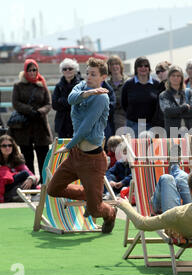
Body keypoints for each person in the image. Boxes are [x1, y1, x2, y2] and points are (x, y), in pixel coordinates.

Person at [46, 58, 117, 234]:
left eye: (93, 74)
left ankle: (110, 212)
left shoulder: (102, 98)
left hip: (93, 160)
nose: (88, 77)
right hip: (76, 156)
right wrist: (86, 93)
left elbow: (86, 126)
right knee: (53, 188)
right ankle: (89, 195)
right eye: (87, 73)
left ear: (103, 77)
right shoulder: (81, 87)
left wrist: (69, 145)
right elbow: (71, 99)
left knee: (94, 211)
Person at [10, 59, 53, 180]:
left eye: (35, 70)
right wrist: (29, 110)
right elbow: (15, 102)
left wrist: (40, 111)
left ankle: (45, 185)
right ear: (25, 71)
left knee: (43, 159)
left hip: (40, 126)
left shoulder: (42, 85)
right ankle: (31, 184)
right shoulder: (18, 86)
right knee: (27, 158)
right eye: (29, 70)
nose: (32, 72)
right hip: (25, 127)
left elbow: (48, 103)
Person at [0, 135, 38, 203]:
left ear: (13, 146)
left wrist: (31, 178)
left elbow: (27, 172)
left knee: (25, 178)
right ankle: (9, 198)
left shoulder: (18, 157)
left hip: (9, 183)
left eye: (10, 145)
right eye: (4, 146)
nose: (7, 148)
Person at [121, 57, 160, 137]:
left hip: (152, 125)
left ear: (149, 68)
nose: (143, 68)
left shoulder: (156, 84)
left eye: (146, 66)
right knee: (134, 149)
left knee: (151, 149)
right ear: (136, 68)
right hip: (132, 125)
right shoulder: (128, 85)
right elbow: (124, 104)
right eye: (140, 66)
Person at [158, 65, 192, 137]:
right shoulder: (164, 95)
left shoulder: (189, 92)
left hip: (189, 133)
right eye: (173, 75)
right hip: (172, 134)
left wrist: (175, 113)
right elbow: (168, 112)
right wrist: (184, 107)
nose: (175, 78)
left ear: (182, 78)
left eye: (178, 76)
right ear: (169, 78)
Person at [52, 58, 83, 139]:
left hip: (77, 122)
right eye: (64, 69)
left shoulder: (81, 84)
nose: (67, 71)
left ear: (75, 70)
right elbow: (54, 105)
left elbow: (81, 103)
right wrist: (70, 102)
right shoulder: (58, 86)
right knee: (63, 149)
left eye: (70, 68)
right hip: (62, 123)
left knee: (77, 149)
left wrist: (62, 101)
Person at [107, 55, 128, 130]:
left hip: (125, 118)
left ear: (121, 66)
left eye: (117, 64)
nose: (114, 66)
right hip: (110, 118)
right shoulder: (106, 84)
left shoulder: (128, 82)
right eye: (112, 64)